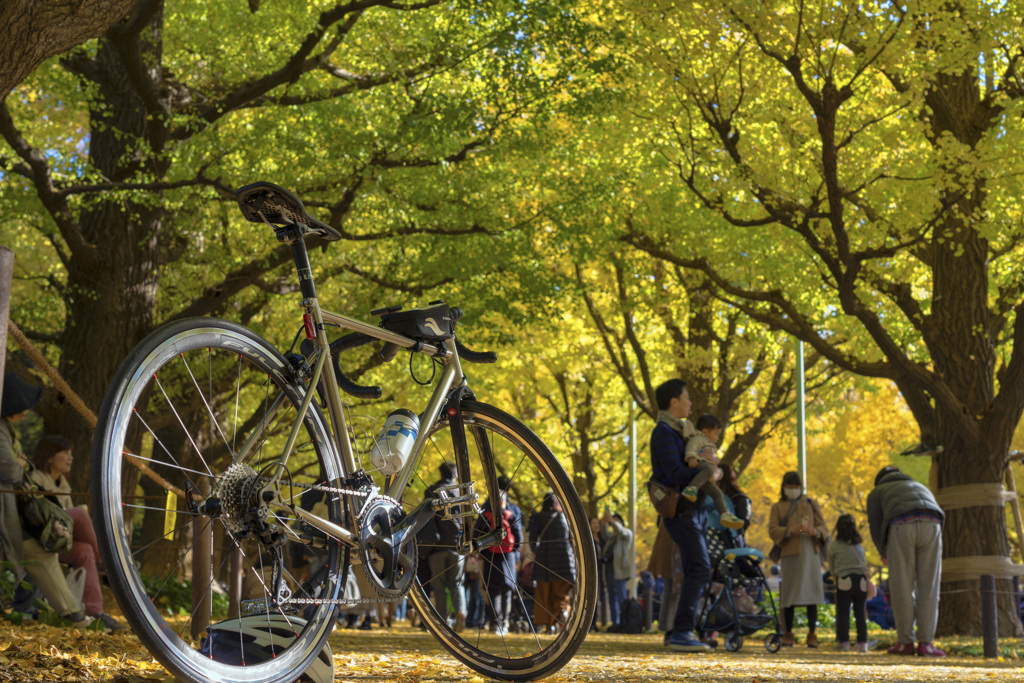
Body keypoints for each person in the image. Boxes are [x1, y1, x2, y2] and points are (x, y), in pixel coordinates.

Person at [0, 373, 89, 627]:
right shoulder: (1, 430)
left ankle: (74, 613)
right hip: (8, 516)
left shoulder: (8, 430)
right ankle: (73, 613)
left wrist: (20, 463)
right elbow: (12, 470)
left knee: (45, 553)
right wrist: (19, 463)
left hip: (14, 515)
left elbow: (19, 466)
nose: (28, 409)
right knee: (39, 552)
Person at [29, 435, 125, 631]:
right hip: (39, 536)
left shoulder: (64, 484)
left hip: (58, 540)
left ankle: (94, 612)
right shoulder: (35, 478)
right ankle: (108, 564)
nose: (71, 458)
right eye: (65, 453)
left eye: (71, 453)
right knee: (80, 514)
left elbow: (70, 529)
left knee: (85, 551)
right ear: (49, 457)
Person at [649, 378, 711, 652]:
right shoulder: (663, 432)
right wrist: (705, 472)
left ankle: (682, 630)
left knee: (694, 569)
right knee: (700, 568)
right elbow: (674, 473)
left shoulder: (682, 431)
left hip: (691, 511)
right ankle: (682, 631)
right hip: (680, 512)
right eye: (686, 397)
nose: (690, 402)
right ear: (674, 402)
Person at [866, 465, 945, 657]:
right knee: (929, 587)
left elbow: (875, 524)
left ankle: (905, 643)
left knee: (902, 587)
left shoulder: (877, 492)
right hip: (933, 524)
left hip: (902, 524)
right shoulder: (919, 485)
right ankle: (927, 644)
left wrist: (883, 551)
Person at [768, 471, 827, 648]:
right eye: (790, 487)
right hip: (789, 552)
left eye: (796, 487)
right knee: (789, 595)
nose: (793, 490)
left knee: (812, 594)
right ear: (783, 487)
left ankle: (812, 633)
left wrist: (815, 532)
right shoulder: (777, 507)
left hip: (810, 553)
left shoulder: (811, 503)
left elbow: (823, 527)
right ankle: (788, 633)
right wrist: (790, 530)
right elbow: (772, 529)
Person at [681, 414, 744, 530]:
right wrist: (691, 457)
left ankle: (724, 514)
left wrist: (715, 462)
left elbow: (714, 461)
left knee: (718, 493)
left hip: (705, 475)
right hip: (700, 466)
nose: (718, 438)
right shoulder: (699, 439)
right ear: (705, 432)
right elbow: (692, 445)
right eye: (716, 434)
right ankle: (691, 488)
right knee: (709, 470)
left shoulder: (710, 445)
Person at [424, 462, 466, 632]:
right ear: (455, 475)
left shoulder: (431, 491)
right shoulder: (461, 492)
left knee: (439, 586)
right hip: (457, 545)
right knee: (457, 583)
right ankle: (461, 611)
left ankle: (443, 621)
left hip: (436, 546)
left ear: (440, 474)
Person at [528, 492, 575, 633]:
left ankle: (548, 625)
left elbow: (532, 538)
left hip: (544, 560)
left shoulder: (539, 517)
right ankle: (561, 614)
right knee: (561, 592)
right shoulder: (565, 518)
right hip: (564, 562)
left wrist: (536, 551)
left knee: (543, 594)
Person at [475, 492, 520, 635]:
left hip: (491, 556)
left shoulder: (485, 516)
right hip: (509, 557)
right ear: (505, 501)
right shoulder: (511, 515)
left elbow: (477, 536)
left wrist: (482, 554)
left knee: (492, 592)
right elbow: (519, 537)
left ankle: (494, 623)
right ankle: (505, 623)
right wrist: (516, 555)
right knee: (507, 591)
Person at [826, 514, 871, 653]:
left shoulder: (834, 546)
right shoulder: (859, 546)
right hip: (862, 581)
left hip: (844, 579)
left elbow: (832, 567)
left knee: (843, 613)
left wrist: (836, 577)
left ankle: (843, 642)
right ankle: (862, 643)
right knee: (860, 613)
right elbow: (865, 564)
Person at [601, 510, 632, 629]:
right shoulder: (611, 537)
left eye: (616, 521)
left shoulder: (626, 534)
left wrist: (612, 521)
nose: (613, 523)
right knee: (612, 598)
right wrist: (604, 523)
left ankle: (625, 623)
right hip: (609, 570)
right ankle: (615, 623)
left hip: (620, 571)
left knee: (621, 597)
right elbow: (604, 534)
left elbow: (621, 530)